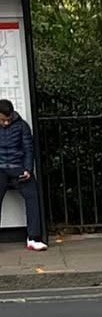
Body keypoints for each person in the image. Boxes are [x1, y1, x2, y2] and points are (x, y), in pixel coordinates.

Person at [0, 99, 47, 251]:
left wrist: (28, 169)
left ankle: (34, 237)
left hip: (18, 169)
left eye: (7, 120)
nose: (5, 123)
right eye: (2, 120)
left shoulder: (22, 126)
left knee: (33, 196)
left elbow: (28, 149)